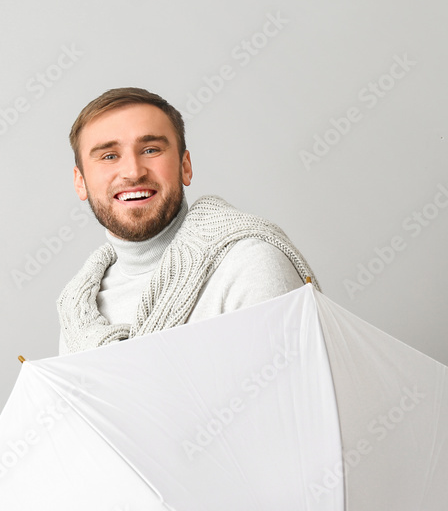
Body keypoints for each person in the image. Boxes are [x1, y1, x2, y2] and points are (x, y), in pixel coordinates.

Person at [58, 87, 319, 355]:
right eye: (109, 156)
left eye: (150, 150)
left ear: (185, 166)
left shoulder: (249, 265)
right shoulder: (79, 317)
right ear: (80, 182)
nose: (133, 172)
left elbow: (289, 391)